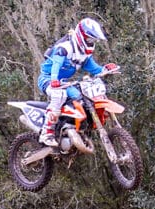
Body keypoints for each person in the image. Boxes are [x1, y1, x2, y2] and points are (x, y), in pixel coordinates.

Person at [37, 18, 118, 147]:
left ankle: (70, 126)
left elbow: (94, 69)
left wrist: (106, 69)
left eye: (94, 40)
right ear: (82, 35)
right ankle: (47, 132)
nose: (91, 42)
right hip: (47, 78)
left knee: (80, 97)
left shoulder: (84, 54)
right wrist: (54, 80)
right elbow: (56, 65)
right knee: (59, 95)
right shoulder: (65, 47)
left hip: (64, 82)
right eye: (90, 39)